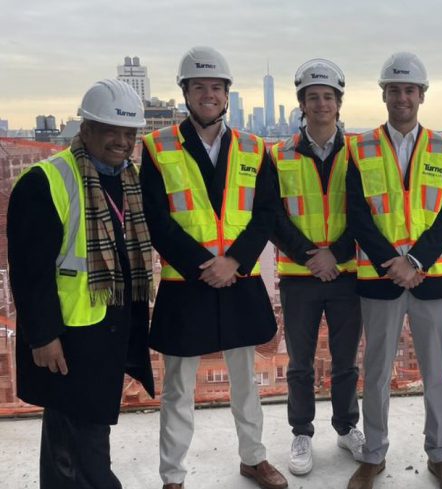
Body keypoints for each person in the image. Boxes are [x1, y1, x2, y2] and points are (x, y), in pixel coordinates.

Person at [139, 46, 287, 489]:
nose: (209, 94)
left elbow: (265, 213)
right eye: (199, 86)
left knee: (246, 379)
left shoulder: (254, 148)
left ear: (227, 95)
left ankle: (253, 458)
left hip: (239, 278)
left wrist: (234, 262)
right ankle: (173, 476)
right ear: (185, 92)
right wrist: (207, 265)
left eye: (216, 87)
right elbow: (156, 219)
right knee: (179, 387)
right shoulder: (157, 147)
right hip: (187, 281)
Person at [8, 79, 155, 488]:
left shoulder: (129, 179)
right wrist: (43, 337)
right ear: (85, 128)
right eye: (112, 131)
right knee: (75, 434)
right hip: (68, 336)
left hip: (108, 328)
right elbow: (28, 271)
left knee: (83, 429)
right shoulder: (47, 181)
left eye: (129, 134)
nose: (122, 142)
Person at [344, 52, 442, 489]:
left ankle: (440, 455)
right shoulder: (359, 148)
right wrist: (390, 263)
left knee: (436, 373)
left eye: (409, 90)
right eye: (394, 90)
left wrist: (415, 261)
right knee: (375, 373)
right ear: (384, 94)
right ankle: (373, 454)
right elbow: (356, 215)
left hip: (429, 279)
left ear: (422, 95)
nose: (401, 97)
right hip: (380, 280)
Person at [270, 58, 365, 476]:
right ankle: (302, 432)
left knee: (346, 359)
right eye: (313, 98)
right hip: (299, 276)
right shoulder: (280, 155)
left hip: (346, 274)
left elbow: (367, 214)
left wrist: (336, 255)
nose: (321, 104)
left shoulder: (361, 153)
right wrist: (313, 256)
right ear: (302, 105)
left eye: (328, 97)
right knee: (300, 363)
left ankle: (346, 427)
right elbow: (274, 217)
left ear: (339, 104)